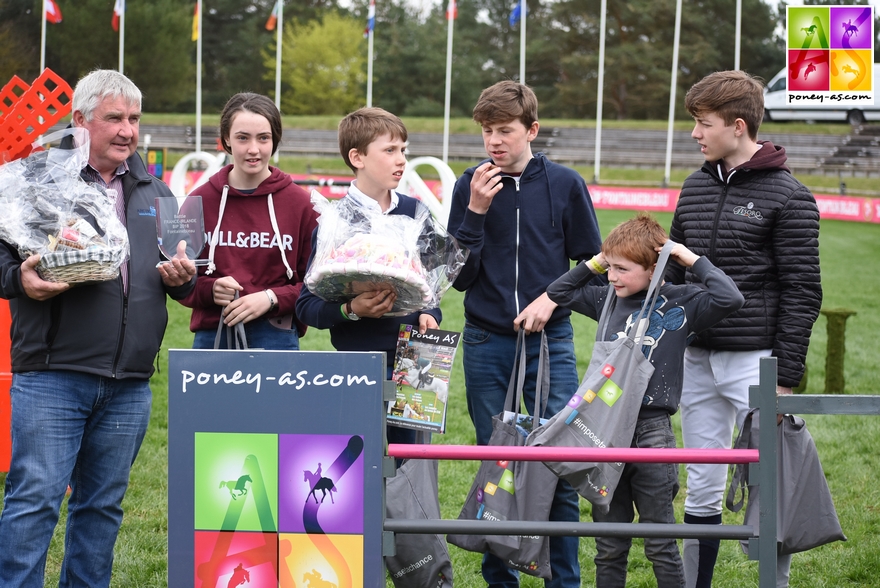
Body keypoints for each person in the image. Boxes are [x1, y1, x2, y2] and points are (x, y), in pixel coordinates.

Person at [0, 69, 196, 587]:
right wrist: (18, 278)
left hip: (130, 382)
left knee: (103, 507)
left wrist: (185, 278)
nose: (128, 130)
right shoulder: (36, 179)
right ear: (80, 121)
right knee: (35, 501)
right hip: (53, 373)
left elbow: (179, 276)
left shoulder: (156, 190)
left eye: (134, 119)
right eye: (115, 118)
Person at [446, 80, 603, 588]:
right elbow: (458, 277)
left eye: (505, 131)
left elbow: (593, 265)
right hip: (486, 342)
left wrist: (553, 299)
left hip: (550, 343)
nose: (494, 141)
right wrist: (474, 213)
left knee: (556, 459)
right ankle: (500, 581)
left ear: (531, 130)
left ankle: (564, 581)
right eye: (487, 131)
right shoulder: (469, 184)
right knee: (498, 463)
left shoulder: (565, 184)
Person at [669, 70, 822, 588]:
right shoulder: (691, 187)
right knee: (702, 484)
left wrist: (785, 376)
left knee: (770, 484)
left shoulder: (790, 196)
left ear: (737, 126)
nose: (694, 133)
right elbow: (674, 275)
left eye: (702, 123)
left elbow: (803, 290)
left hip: (757, 364)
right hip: (696, 359)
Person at [547, 213, 744, 588]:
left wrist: (687, 257)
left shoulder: (682, 303)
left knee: (660, 543)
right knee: (608, 544)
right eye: (610, 268)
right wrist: (597, 261)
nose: (612, 276)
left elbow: (730, 297)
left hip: (652, 431)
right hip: (604, 432)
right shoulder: (605, 299)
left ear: (655, 270)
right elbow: (559, 293)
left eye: (623, 269)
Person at [295, 106, 442, 447]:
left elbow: (433, 287)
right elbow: (306, 306)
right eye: (389, 150)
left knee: (410, 466)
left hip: (416, 361)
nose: (401, 159)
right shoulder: (335, 221)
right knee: (359, 463)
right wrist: (350, 310)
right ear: (357, 157)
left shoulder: (416, 212)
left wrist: (429, 314)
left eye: (403, 150)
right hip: (357, 364)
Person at [178, 93, 317, 350]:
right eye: (243, 137)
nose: (253, 149)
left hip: (277, 334)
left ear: (274, 140)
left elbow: (317, 284)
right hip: (214, 333)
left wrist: (272, 297)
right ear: (226, 140)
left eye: (263, 138)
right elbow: (181, 281)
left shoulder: (302, 204)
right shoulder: (199, 200)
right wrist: (210, 290)